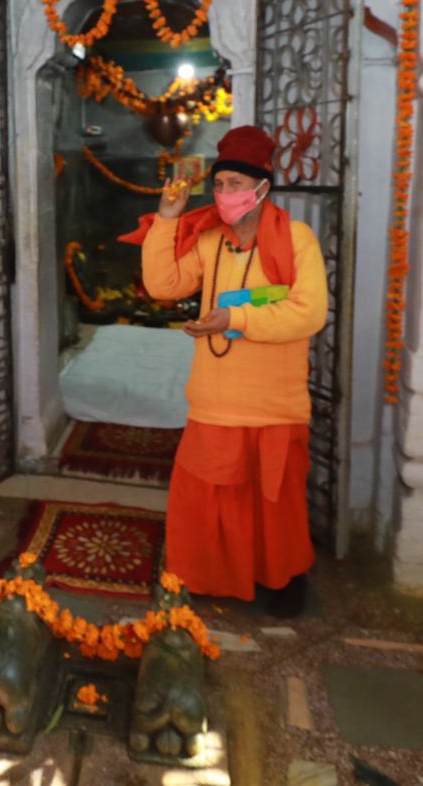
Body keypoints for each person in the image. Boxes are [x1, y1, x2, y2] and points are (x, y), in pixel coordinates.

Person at [126, 125, 326, 618]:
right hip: (215, 398)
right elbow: (164, 285)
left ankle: (284, 577)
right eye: (219, 184)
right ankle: (211, 576)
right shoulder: (211, 239)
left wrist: (234, 317)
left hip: (273, 401)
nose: (224, 194)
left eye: (235, 184)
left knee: (274, 501)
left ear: (262, 188)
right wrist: (168, 222)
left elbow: (308, 313)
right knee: (209, 496)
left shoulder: (297, 239)